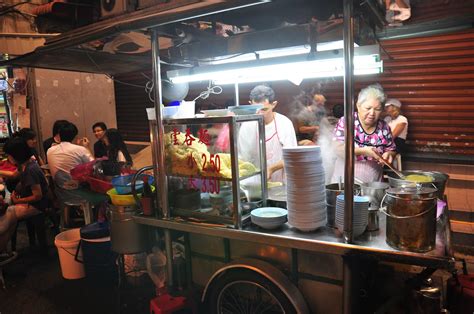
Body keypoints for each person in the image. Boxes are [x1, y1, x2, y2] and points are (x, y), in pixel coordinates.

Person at [331, 84, 397, 183]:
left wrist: (389, 154)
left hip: (373, 182)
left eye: (377, 109)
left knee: (372, 198)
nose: (372, 113)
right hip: (345, 180)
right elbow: (337, 149)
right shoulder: (347, 122)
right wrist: (364, 151)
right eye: (368, 108)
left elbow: (391, 149)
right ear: (358, 105)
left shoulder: (384, 127)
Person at [0, 137, 48, 258]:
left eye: (9, 155)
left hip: (38, 205)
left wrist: (18, 200)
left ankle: (3, 251)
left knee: (8, 215)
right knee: (9, 218)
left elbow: (38, 196)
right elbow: (13, 175)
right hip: (31, 200)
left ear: (16, 154)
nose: (8, 158)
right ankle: (4, 251)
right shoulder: (25, 164)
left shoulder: (31, 169)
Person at [238, 85, 297, 182]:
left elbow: (292, 156)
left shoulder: (284, 123)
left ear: (274, 104)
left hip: (281, 182)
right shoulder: (247, 126)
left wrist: (271, 169)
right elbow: (243, 159)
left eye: (264, 109)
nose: (259, 113)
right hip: (254, 182)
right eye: (255, 109)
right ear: (250, 104)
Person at [47, 122, 94, 189]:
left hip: (59, 191)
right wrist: (86, 147)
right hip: (78, 190)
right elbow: (94, 167)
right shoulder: (80, 149)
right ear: (75, 136)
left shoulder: (50, 150)